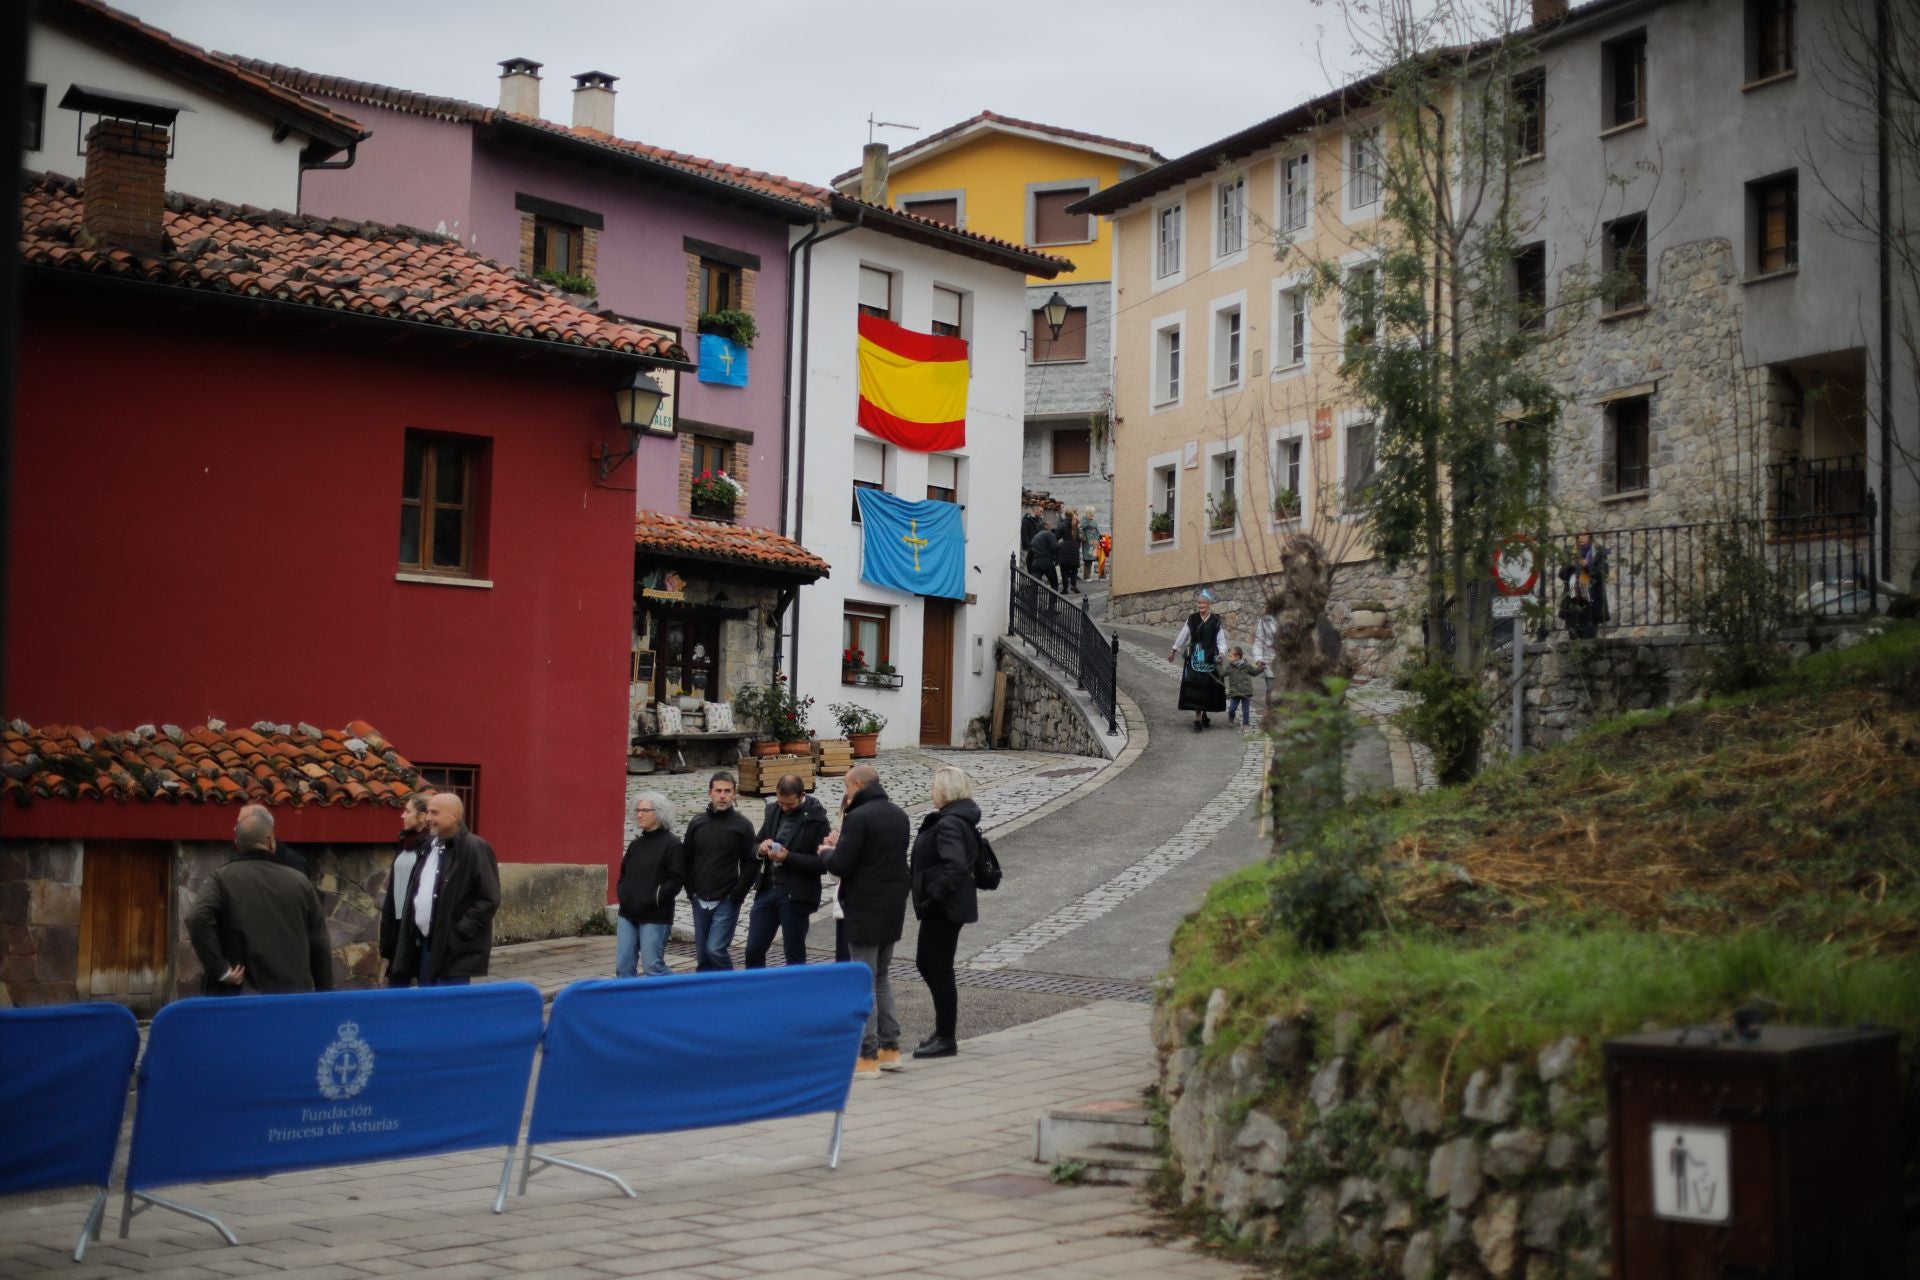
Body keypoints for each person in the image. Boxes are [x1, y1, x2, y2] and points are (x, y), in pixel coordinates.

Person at [821, 764, 911, 1077]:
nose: (845, 793)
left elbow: (843, 864)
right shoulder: (899, 814)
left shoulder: (859, 818)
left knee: (863, 979)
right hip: (892, 908)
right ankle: (890, 1049)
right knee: (881, 977)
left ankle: (867, 1054)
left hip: (864, 908)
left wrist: (825, 852)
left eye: (846, 787)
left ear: (858, 784)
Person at [187, 804, 333, 995]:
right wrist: (326, 994)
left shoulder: (220, 879)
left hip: (240, 998)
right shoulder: (300, 882)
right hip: (292, 997)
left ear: (237, 843)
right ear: (271, 841)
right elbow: (320, 944)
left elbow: (196, 918)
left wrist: (220, 969)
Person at [391, 792, 499, 987]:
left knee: (449, 1009)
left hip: (453, 950)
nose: (429, 818)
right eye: (428, 812)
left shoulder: (475, 848)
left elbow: (488, 898)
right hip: (426, 944)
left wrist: (458, 933)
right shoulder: (428, 846)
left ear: (455, 815)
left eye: (435, 813)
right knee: (428, 1006)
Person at [909, 766, 980, 1060]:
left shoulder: (950, 823)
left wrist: (932, 895)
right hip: (948, 906)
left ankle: (946, 1036)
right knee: (933, 964)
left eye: (934, 787)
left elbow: (956, 867)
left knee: (934, 965)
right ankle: (942, 1032)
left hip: (944, 908)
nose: (931, 792)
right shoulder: (958, 818)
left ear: (945, 791)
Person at [745, 774, 831, 968]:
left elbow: (823, 863)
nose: (784, 808)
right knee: (753, 949)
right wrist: (760, 849)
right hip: (767, 890)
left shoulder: (817, 820)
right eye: (781, 802)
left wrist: (788, 857)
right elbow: (754, 844)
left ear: (802, 795)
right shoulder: (773, 810)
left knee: (794, 953)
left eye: (789, 805)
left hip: (796, 894)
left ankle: (795, 995)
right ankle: (756, 993)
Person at [680, 771, 757, 971]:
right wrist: (691, 891)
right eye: (718, 791)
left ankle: (731, 987)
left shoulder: (743, 826)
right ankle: (704, 995)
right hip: (699, 898)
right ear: (710, 793)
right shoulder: (697, 823)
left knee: (715, 949)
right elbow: (685, 858)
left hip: (726, 899)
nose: (722, 795)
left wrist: (737, 894)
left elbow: (751, 863)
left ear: (734, 794)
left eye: (727, 791)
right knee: (703, 955)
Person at [616, 792, 683, 977]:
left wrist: (656, 898)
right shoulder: (636, 844)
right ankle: (629, 1004)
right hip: (627, 914)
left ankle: (683, 991)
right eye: (638, 810)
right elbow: (623, 873)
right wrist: (623, 894)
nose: (639, 814)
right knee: (623, 967)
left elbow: (676, 879)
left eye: (645, 810)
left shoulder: (672, 844)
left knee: (653, 968)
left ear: (659, 813)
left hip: (655, 915)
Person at [378, 791, 434, 987]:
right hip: (397, 922)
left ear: (421, 816)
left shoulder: (430, 848)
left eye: (407, 811)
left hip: (415, 926)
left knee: (421, 981)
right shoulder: (404, 843)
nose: (402, 815)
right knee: (396, 982)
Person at [1168, 588, 1228, 732]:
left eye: (1204, 603)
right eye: (1199, 603)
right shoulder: (1192, 619)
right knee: (1196, 687)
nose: (1201, 605)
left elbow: (1221, 640)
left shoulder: (1215, 620)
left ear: (1209, 604)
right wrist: (1174, 649)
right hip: (1195, 657)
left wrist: (1221, 653)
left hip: (1210, 658)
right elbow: (1183, 635)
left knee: (1208, 687)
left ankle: (1205, 713)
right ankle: (1197, 717)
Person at [1559, 533, 1610, 639]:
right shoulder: (1571, 552)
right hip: (1573, 602)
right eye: (1579, 535)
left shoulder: (1597, 553)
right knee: (1574, 638)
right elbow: (1562, 574)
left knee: (1589, 639)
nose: (1580, 537)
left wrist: (1587, 565)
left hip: (1591, 604)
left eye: (1584, 535)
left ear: (1590, 537)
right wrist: (1570, 565)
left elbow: (1603, 573)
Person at [1222, 646, 1262, 727]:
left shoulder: (1247, 665)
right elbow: (1222, 674)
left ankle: (1246, 723)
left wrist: (1261, 668)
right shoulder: (1229, 667)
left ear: (1237, 657)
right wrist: (1218, 664)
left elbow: (1254, 673)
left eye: (1230, 656)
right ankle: (1231, 718)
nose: (1228, 657)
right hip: (1235, 692)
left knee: (1246, 710)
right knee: (1232, 708)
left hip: (1246, 692)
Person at [1253, 610, 1278, 714]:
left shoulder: (1293, 614)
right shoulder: (1265, 619)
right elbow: (1259, 641)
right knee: (1271, 688)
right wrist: (1259, 659)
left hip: (1287, 661)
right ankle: (1271, 711)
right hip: (1269, 659)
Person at [1028, 518, 1060, 591]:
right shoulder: (1048, 534)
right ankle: (1052, 602)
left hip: (1036, 563)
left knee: (1034, 586)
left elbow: (1029, 556)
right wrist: (1060, 544)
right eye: (1049, 525)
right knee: (1054, 585)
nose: (1051, 526)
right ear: (1045, 526)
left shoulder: (1035, 537)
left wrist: (1030, 569)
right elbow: (1054, 547)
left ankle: (1032, 602)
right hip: (1047, 562)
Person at [1057, 513, 1082, 594]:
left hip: (1064, 549)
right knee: (1074, 569)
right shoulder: (1076, 527)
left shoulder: (1063, 525)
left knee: (1064, 570)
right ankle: (1073, 584)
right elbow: (1079, 540)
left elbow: (1056, 537)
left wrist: (1059, 544)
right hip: (1074, 550)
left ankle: (1065, 589)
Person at [1019, 502, 1043, 573]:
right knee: (1028, 567)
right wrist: (1029, 546)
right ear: (1035, 510)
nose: (1042, 513)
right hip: (1029, 548)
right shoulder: (1027, 520)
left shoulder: (1039, 520)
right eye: (1041, 511)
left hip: (1036, 548)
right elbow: (1024, 534)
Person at [1080, 506, 1101, 582]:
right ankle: (1086, 576)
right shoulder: (1084, 520)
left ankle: (1102, 576)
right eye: (1091, 513)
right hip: (1088, 543)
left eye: (1093, 513)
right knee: (1088, 560)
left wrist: (1100, 536)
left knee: (1099, 558)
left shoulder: (1092, 520)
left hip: (1095, 542)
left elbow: (1096, 529)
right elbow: (1080, 528)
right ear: (1087, 513)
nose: (1093, 515)